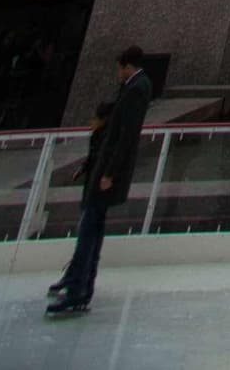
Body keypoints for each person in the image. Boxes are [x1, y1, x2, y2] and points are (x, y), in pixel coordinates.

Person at [46, 46, 152, 318]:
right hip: (102, 169)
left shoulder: (137, 88)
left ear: (127, 65)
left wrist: (109, 173)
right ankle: (78, 283)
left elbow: (126, 134)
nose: (118, 73)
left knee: (89, 230)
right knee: (91, 228)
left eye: (119, 68)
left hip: (107, 174)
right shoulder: (132, 87)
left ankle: (78, 288)